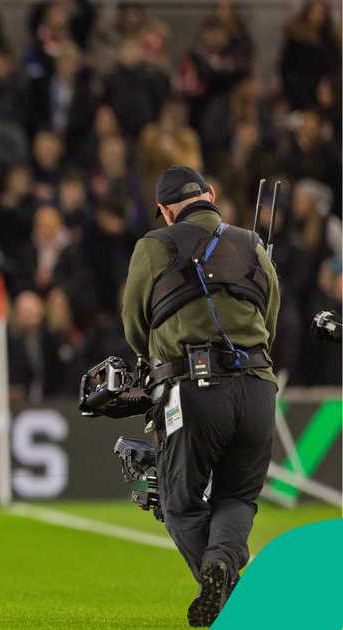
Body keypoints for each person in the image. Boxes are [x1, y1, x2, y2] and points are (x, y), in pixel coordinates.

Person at [120, 166, 279, 627]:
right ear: (210, 195)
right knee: (237, 498)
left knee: (179, 500)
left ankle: (225, 589)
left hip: (193, 387)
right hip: (258, 389)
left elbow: (135, 324)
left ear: (167, 211)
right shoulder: (253, 244)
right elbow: (270, 317)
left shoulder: (154, 245)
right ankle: (223, 564)